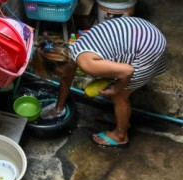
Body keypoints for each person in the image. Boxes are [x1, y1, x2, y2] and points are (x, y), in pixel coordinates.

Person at [33, 16, 167, 148]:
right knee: (115, 83)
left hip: (149, 47)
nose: (59, 76)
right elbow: (66, 79)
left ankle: (120, 136)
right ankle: (120, 117)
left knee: (119, 95)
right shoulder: (72, 49)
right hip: (143, 30)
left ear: (59, 67)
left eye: (56, 73)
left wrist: (116, 89)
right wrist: (58, 108)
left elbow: (127, 71)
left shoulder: (86, 63)